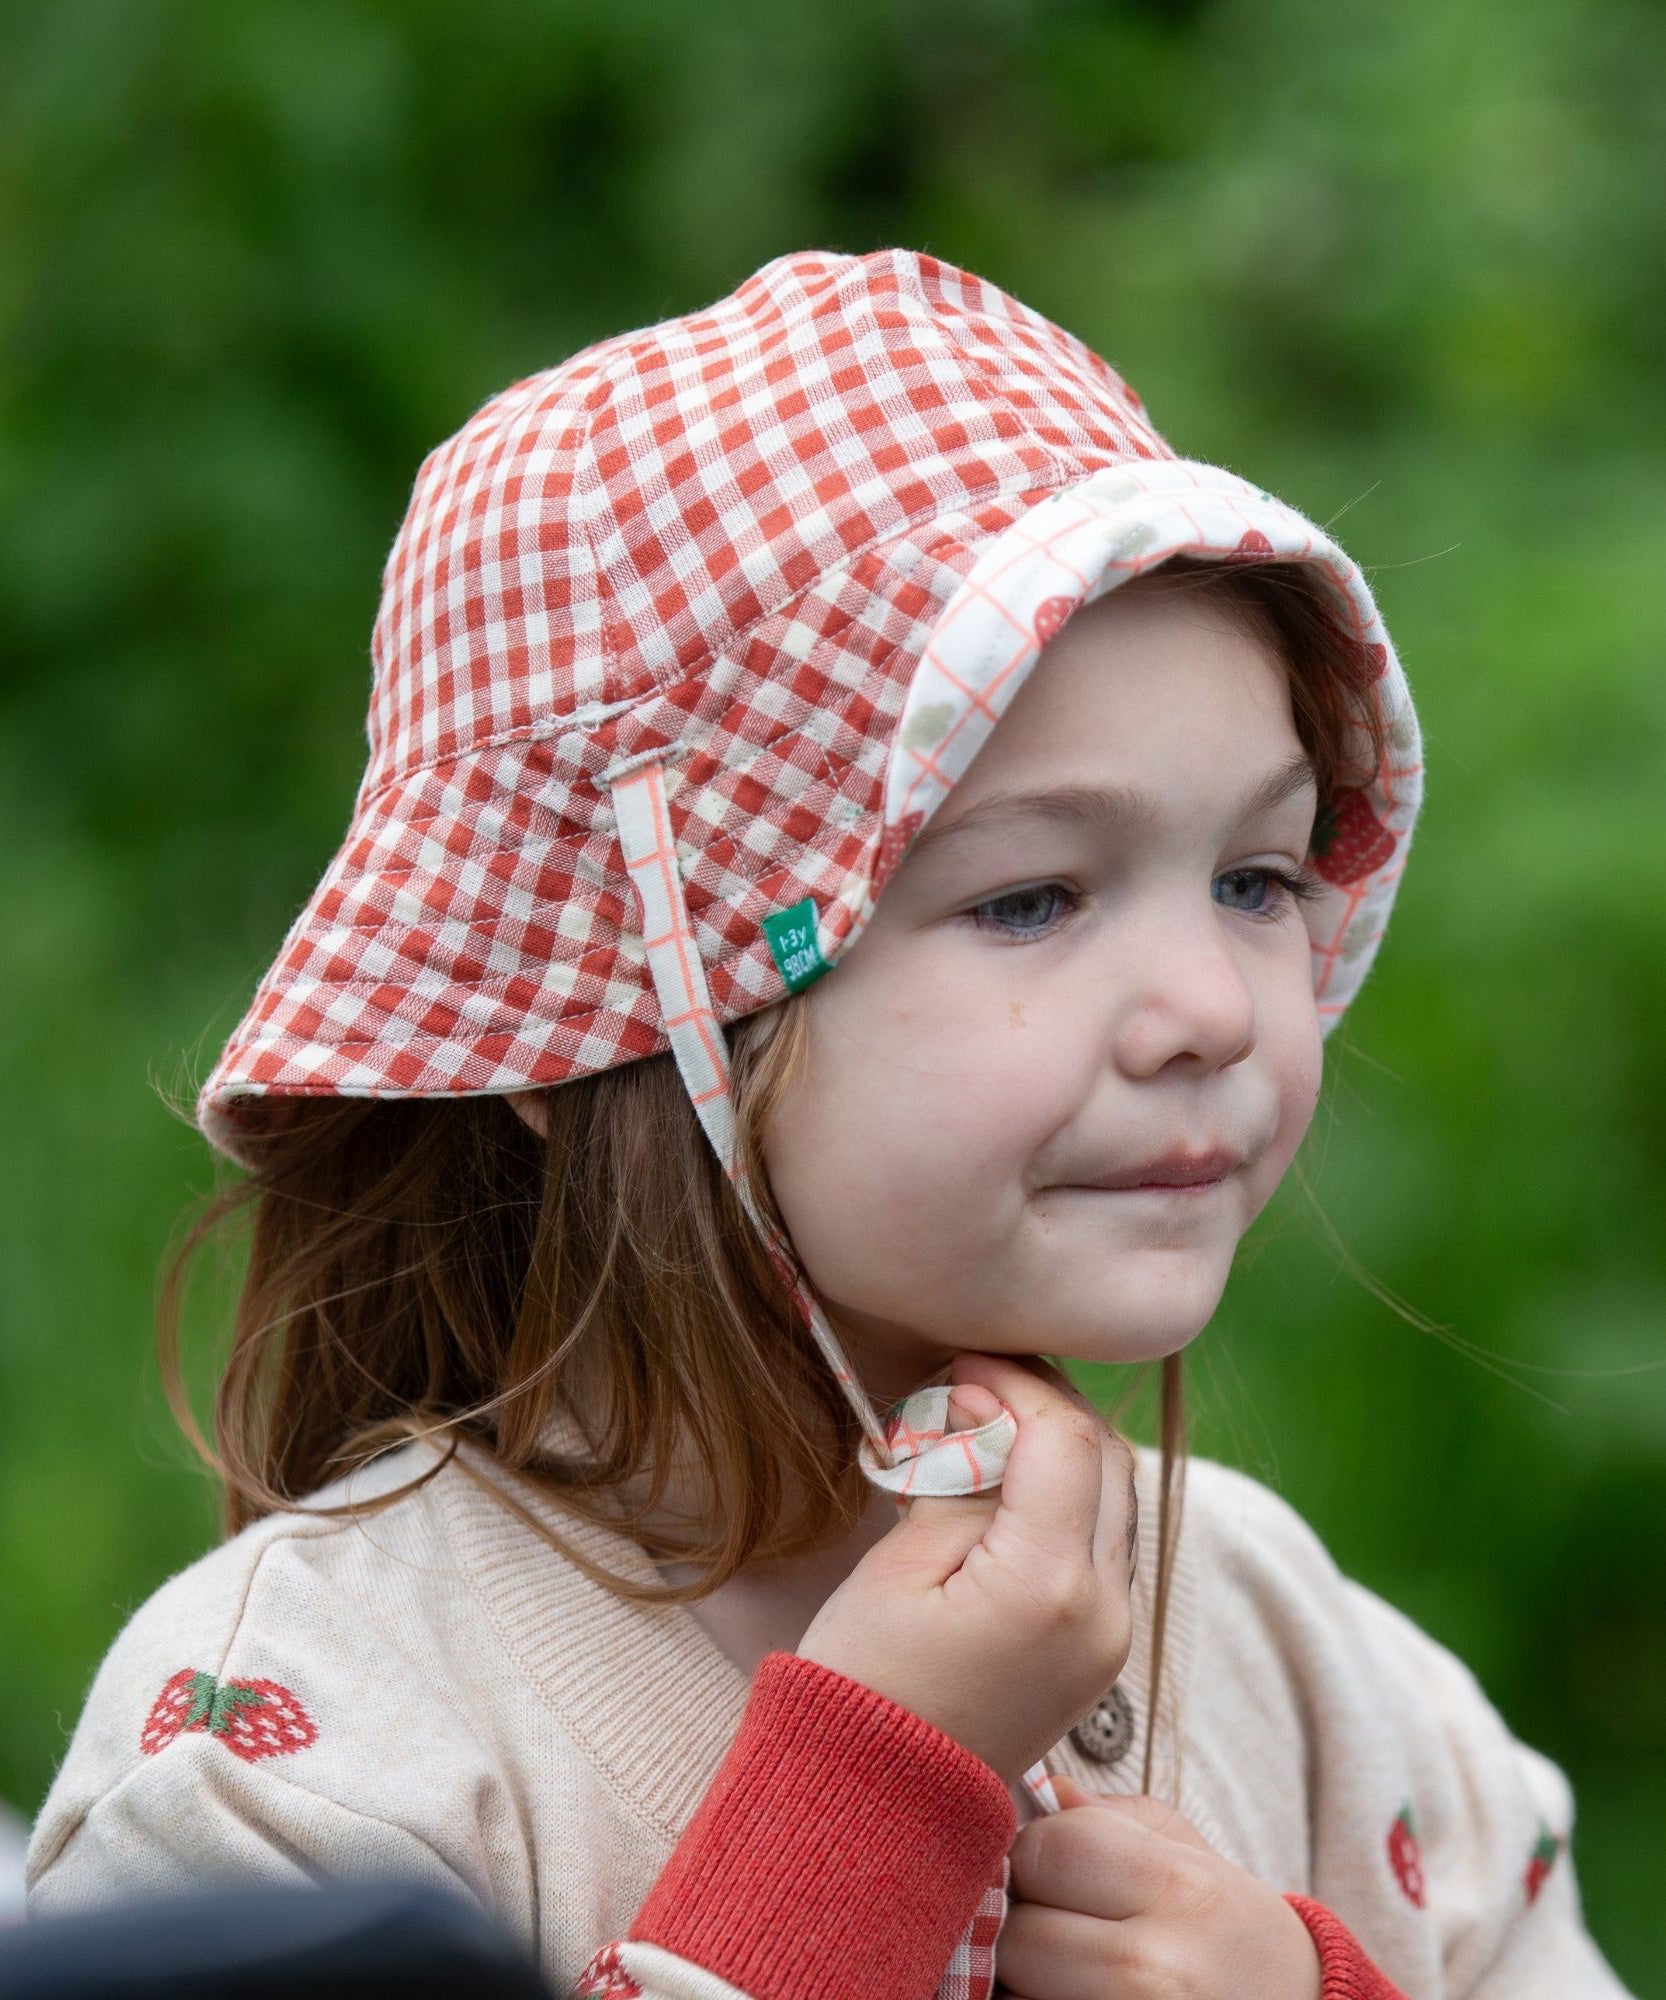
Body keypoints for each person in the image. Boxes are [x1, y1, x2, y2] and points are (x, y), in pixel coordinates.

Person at [24, 250, 1630, 1999]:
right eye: (1030, 898)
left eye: (1255, 876)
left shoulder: (1284, 1653)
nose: (1218, 1007)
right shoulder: (311, 1748)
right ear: (588, 1023)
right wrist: (859, 1810)